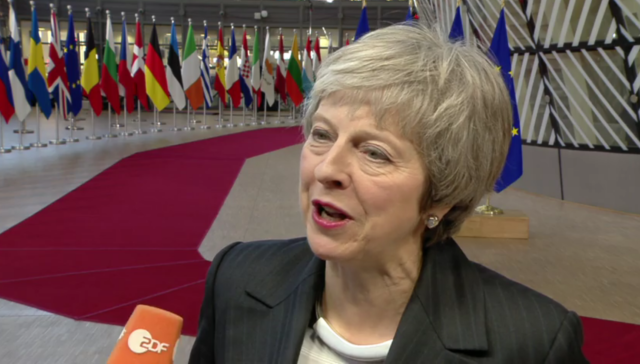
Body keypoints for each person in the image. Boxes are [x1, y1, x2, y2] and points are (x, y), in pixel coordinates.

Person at [188, 21, 588, 364]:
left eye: (374, 153)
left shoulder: (533, 344)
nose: (327, 170)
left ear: (441, 194)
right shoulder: (236, 278)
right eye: (322, 134)